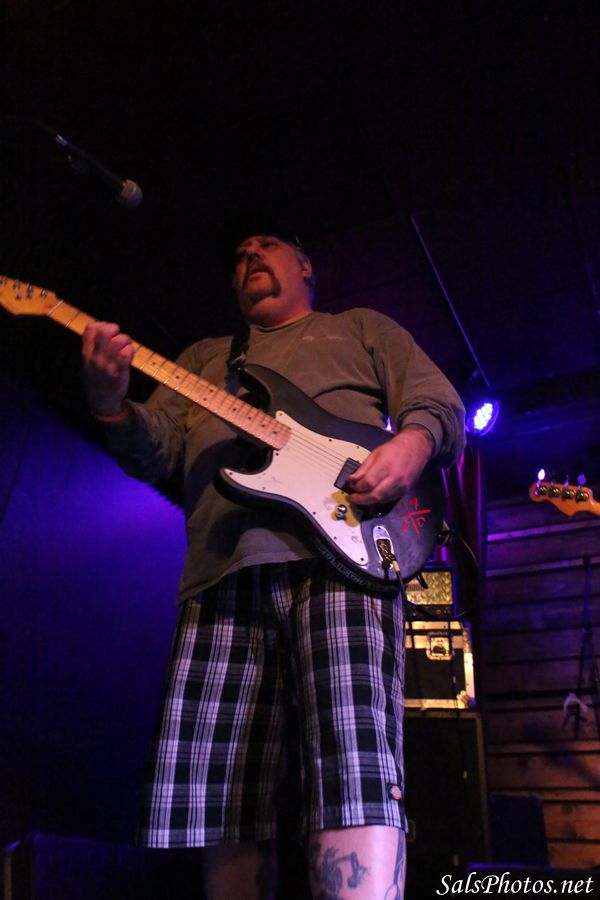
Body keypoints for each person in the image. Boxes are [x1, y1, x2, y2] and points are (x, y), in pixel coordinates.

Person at [82, 223, 465, 900]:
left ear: (306, 265)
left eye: (266, 246)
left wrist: (410, 445)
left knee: (354, 764)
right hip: (221, 575)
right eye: (238, 255)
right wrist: (110, 406)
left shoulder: (359, 328)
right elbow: (155, 449)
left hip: (345, 562)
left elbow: (437, 404)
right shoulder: (206, 358)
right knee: (222, 794)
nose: (249, 256)